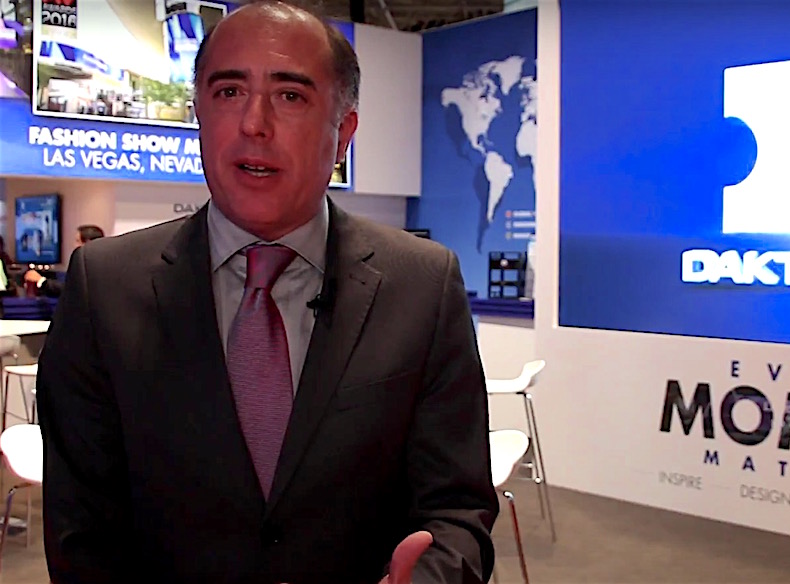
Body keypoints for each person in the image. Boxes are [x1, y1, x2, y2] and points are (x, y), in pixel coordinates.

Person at [35, 2, 498, 583]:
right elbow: (81, 532)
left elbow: (458, 512)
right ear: (199, 114)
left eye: (290, 96)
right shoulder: (102, 287)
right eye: (229, 92)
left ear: (343, 134)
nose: (254, 123)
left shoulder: (423, 286)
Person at [23, 224, 104, 297]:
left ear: (88, 243)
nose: (75, 245)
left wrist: (41, 281)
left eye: (78, 241)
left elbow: (72, 290)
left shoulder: (93, 268)